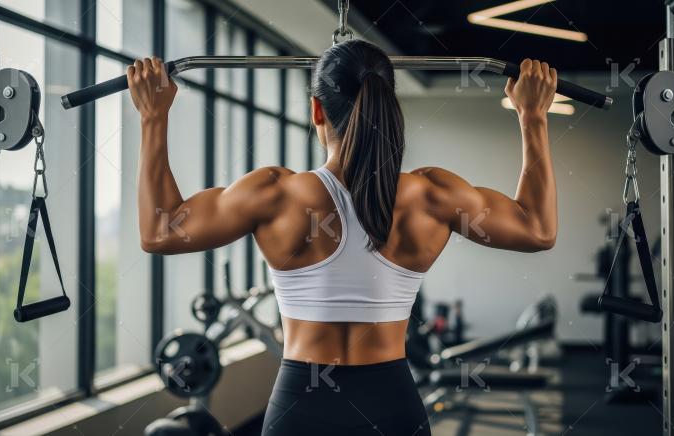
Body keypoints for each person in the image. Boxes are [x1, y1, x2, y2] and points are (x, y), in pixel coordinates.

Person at [126, 40, 557, 436]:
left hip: (300, 409)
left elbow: (160, 231)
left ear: (317, 110)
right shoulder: (433, 195)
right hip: (393, 409)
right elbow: (537, 229)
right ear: (389, 102)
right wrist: (533, 116)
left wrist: (153, 116)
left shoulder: (274, 194)